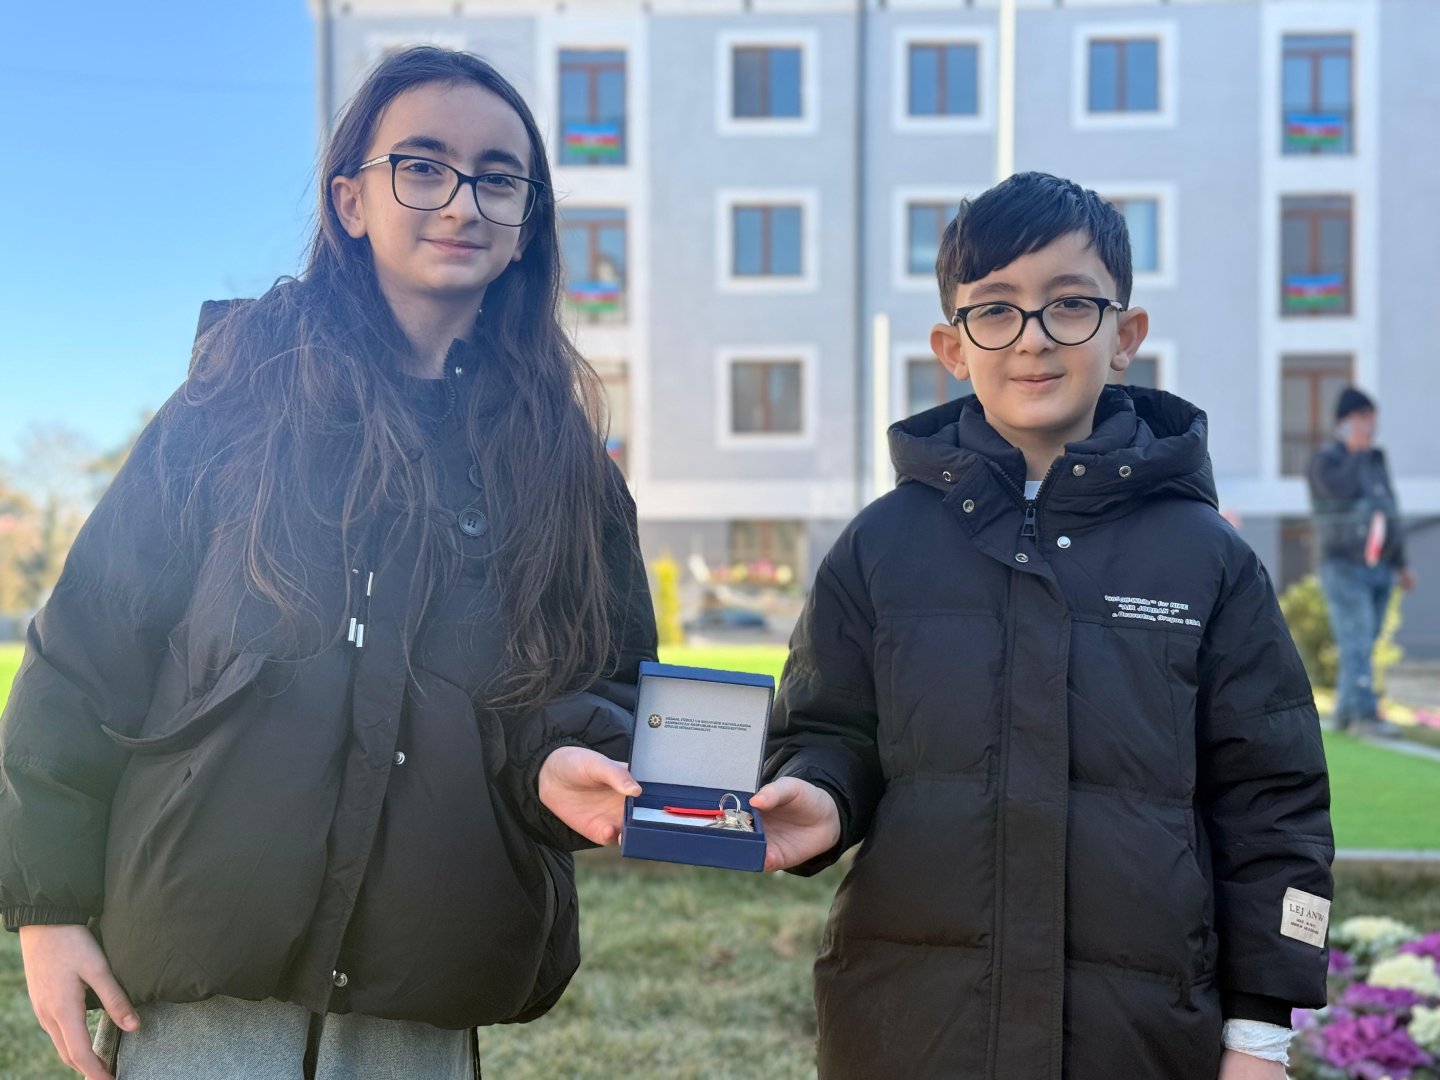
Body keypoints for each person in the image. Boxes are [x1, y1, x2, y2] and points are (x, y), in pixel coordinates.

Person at [0, 46, 655, 1080]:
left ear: (528, 220)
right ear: (351, 200)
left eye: (499, 178)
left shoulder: (565, 467)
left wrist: (561, 762)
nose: (462, 201)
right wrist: (47, 909)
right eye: (423, 166)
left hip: (423, 996)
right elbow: (88, 645)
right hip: (197, 994)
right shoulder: (231, 404)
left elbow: (601, 684)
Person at [750, 172, 1333, 1080]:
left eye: (1069, 304)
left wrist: (1260, 1033)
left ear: (1124, 335)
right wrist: (818, 794)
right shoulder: (880, 545)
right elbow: (826, 731)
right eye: (996, 310)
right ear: (952, 347)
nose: (1032, 337)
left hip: (1139, 1042)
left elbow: (1274, 802)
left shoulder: (1207, 559)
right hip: (910, 1033)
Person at [1307, 387, 1415, 736]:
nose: (1369, 424)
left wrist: (1401, 562)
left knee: (1365, 641)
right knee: (1356, 637)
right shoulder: (1326, 459)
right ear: (1343, 421)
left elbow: (1389, 508)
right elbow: (1335, 492)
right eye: (1362, 417)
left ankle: (1346, 712)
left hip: (1380, 565)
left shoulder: (1376, 459)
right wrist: (1354, 453)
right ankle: (1364, 715)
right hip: (1343, 564)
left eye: (1371, 417)